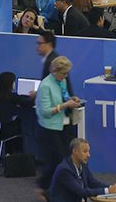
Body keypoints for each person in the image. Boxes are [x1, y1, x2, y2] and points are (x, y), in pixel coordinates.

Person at [37, 56, 80, 193]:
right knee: (57, 159)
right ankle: (45, 186)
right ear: (55, 71)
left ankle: (52, 188)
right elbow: (45, 111)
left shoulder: (62, 81)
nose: (66, 76)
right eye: (63, 73)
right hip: (50, 127)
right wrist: (64, 105)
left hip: (64, 125)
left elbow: (64, 96)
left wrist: (71, 100)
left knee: (62, 159)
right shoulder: (45, 86)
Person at [50, 138, 116, 202]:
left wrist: (112, 188)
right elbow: (81, 192)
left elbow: (93, 183)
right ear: (75, 151)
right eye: (85, 151)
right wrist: (108, 190)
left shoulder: (83, 165)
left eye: (88, 151)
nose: (89, 155)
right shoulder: (64, 170)